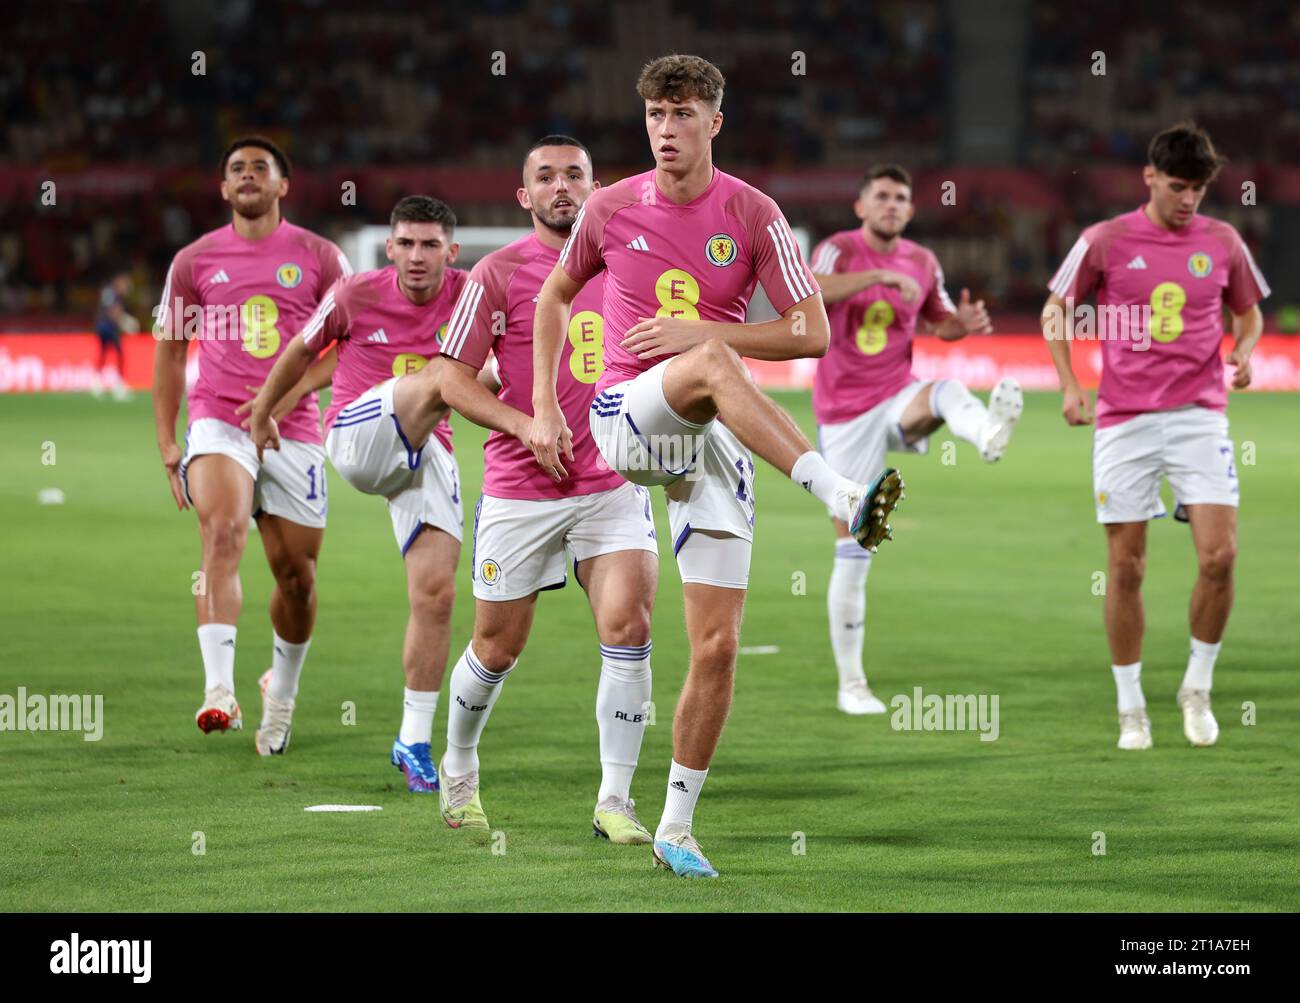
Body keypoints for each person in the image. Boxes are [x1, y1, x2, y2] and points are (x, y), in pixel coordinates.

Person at [529, 54, 904, 878]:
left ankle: (676, 825)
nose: (667, 130)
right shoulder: (609, 206)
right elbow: (556, 296)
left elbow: (810, 333)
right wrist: (546, 402)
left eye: (684, 114)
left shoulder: (755, 213)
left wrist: (708, 329)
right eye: (657, 115)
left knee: (718, 644)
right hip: (625, 415)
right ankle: (839, 492)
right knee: (706, 362)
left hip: (713, 434)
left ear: (714, 122)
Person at [434, 136, 660, 843]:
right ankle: (460, 768)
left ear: (595, 188)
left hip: (612, 480)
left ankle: (615, 801)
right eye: (546, 177)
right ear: (522, 196)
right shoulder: (497, 275)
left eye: (575, 175)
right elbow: (450, 378)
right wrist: (523, 420)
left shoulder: (634, 262)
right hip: (520, 488)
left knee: (630, 629)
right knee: (497, 647)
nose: (561, 186)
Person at [1041, 122, 1268, 750]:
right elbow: (1056, 307)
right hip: (1125, 420)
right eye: (1177, 186)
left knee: (1220, 557)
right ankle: (1130, 703)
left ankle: (1196, 688)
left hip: (1200, 414)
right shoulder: (1105, 239)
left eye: (1197, 188)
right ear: (1150, 178)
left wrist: (1245, 352)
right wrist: (1068, 383)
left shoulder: (1223, 240)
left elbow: (1249, 312)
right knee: (1126, 566)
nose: (1188, 199)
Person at [247, 196, 466, 790]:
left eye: (429, 245)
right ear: (389, 247)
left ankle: (413, 740)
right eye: (406, 244)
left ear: (452, 251)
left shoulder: (472, 295)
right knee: (441, 377)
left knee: (438, 593)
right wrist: (266, 409)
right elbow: (300, 350)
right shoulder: (355, 294)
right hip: (356, 437)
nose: (416, 257)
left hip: (422, 453)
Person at [152, 136, 352, 753]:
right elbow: (169, 348)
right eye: (236, 168)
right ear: (222, 188)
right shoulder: (193, 260)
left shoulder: (319, 257)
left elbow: (349, 344)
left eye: (259, 168)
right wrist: (167, 440)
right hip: (218, 420)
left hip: (294, 429)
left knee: (297, 578)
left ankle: (281, 696)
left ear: (282, 185)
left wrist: (288, 398)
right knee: (222, 535)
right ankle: (219, 692)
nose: (246, 176)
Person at [810, 164, 1021, 714]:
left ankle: (988, 434)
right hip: (844, 411)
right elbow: (809, 291)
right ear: (861, 206)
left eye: (901, 198)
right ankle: (851, 683)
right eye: (880, 196)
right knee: (856, 546)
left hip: (897, 394)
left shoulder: (924, 261)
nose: (891, 205)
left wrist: (965, 323)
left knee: (948, 388)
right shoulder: (839, 249)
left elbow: (941, 323)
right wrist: (876, 278)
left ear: (910, 209)